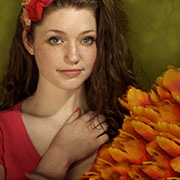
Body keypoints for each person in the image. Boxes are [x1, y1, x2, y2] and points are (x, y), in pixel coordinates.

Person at [0, 0, 137, 179]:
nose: (73, 57)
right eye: (55, 40)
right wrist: (59, 156)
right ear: (28, 42)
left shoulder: (130, 128)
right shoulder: (3, 131)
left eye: (86, 40)